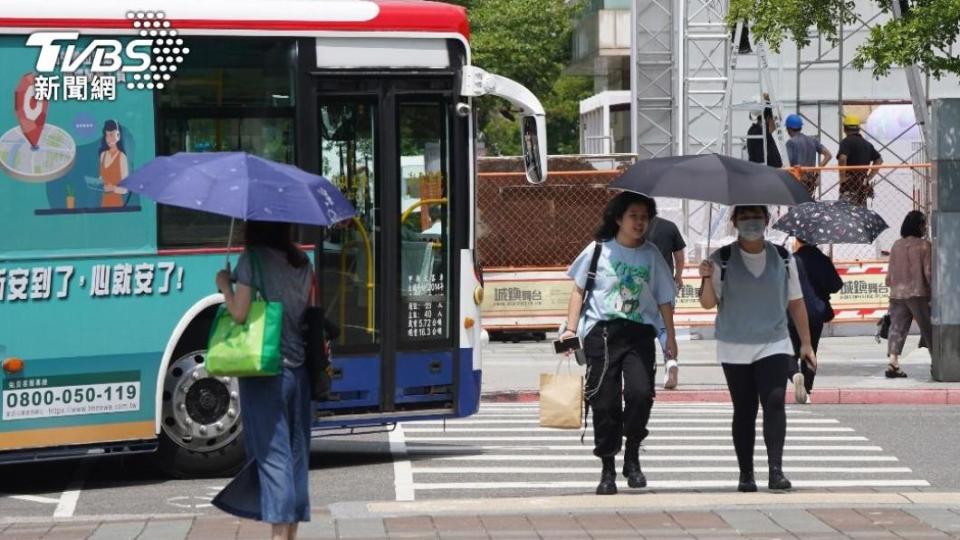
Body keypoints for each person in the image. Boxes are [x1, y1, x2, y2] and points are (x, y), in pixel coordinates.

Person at [560, 192, 678, 495]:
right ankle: (608, 468)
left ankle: (633, 455)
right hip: (602, 333)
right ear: (618, 219)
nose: (639, 222)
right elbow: (578, 290)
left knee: (640, 395)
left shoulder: (652, 255)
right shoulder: (598, 250)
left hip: (639, 334)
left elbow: (665, 298)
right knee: (605, 401)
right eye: (633, 216)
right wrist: (570, 330)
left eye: (644, 217)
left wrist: (671, 341)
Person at [698, 205, 817, 492]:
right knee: (745, 409)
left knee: (775, 402)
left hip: (774, 342)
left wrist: (806, 343)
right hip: (733, 344)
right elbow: (707, 303)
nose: (750, 221)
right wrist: (704, 276)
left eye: (756, 215)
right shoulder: (721, 259)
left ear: (767, 220)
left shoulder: (784, 257)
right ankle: (746, 474)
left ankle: (776, 470)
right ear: (734, 221)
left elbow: (796, 301)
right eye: (744, 216)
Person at [212, 220, 313, 540]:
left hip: (266, 373)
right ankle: (290, 533)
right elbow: (306, 313)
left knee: (273, 457)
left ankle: (279, 535)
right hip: (300, 372)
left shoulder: (251, 260)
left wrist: (225, 285)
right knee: (297, 456)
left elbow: (240, 313)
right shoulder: (302, 262)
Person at [788, 238, 843, 403]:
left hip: (792, 312)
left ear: (797, 240)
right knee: (811, 348)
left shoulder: (792, 260)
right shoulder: (822, 259)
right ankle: (807, 390)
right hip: (816, 312)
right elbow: (835, 285)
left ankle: (794, 374)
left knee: (790, 351)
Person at [884, 211, 932, 378]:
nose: (925, 227)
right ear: (919, 226)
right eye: (923, 224)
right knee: (928, 328)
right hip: (917, 292)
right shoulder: (925, 245)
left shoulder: (896, 245)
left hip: (897, 293)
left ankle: (893, 361)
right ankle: (938, 361)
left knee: (897, 327)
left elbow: (889, 276)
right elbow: (928, 273)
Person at [645, 214, 687, 389]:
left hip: (641, 284)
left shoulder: (633, 226)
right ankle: (670, 361)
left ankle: (642, 370)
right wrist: (677, 276)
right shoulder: (670, 226)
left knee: (642, 329)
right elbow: (679, 257)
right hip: (666, 283)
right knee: (663, 328)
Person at [837, 115, 883, 206]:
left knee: (846, 211)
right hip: (862, 184)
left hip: (849, 183)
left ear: (845, 129)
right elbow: (879, 160)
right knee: (861, 211)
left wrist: (842, 177)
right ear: (858, 129)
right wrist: (869, 177)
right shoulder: (867, 144)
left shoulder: (846, 142)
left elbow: (842, 158)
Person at [784, 114, 832, 196]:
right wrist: (817, 172)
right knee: (808, 205)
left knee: (796, 207)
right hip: (810, 182)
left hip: (796, 182)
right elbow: (828, 155)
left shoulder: (790, 143)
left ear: (788, 128)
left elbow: (787, 165)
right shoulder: (812, 140)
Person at [98, 119, 130, 208]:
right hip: (104, 203)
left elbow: (125, 188)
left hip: (117, 205)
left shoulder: (122, 157)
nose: (109, 139)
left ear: (118, 136)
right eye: (107, 135)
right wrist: (98, 183)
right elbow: (101, 177)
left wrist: (113, 188)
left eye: (111, 135)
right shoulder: (103, 155)